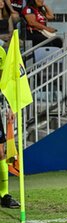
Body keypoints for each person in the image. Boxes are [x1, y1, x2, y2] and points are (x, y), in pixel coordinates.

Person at [0, 46, 20, 208]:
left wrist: (11, 106)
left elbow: (4, 82)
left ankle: (3, 195)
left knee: (0, 153)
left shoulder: (0, 51)